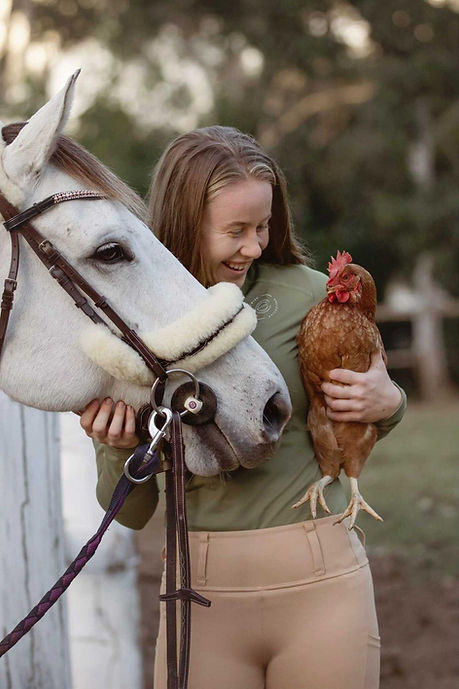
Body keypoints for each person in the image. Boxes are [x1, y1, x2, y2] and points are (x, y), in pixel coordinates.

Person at [80, 126, 406, 689]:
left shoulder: (311, 296)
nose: (255, 245)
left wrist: (390, 400)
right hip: (197, 596)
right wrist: (114, 448)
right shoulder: (132, 320)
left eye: (264, 227)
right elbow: (130, 514)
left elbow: (366, 405)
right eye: (236, 230)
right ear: (186, 220)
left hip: (321, 587)